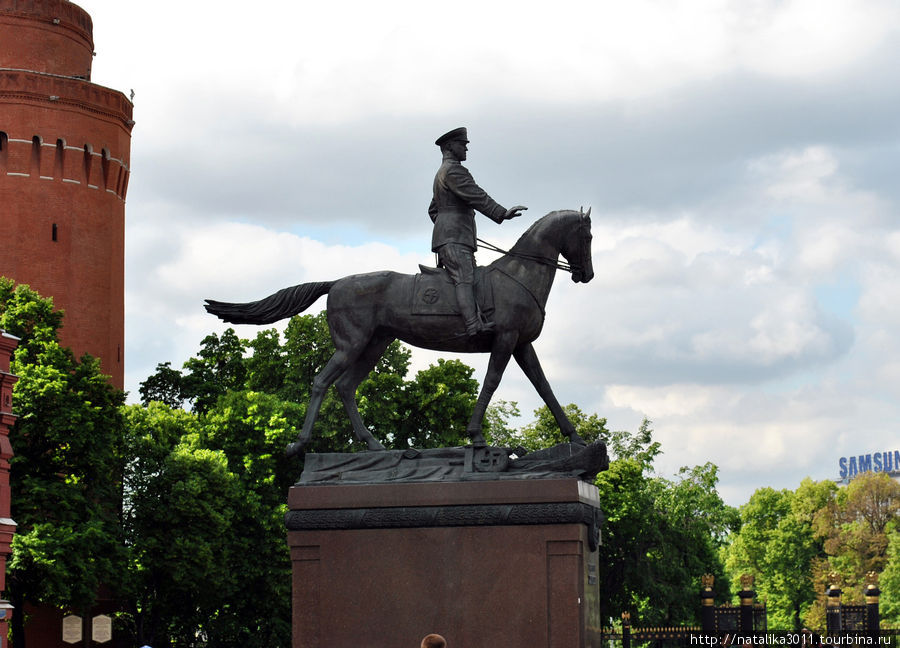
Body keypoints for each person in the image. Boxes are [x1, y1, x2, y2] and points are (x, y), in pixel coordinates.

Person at [428, 127, 526, 336]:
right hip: (455, 238)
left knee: (467, 278)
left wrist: (447, 226)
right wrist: (502, 213)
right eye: (462, 145)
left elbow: (433, 210)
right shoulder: (454, 171)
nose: (466, 149)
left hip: (452, 236)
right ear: (450, 147)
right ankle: (474, 326)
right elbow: (477, 196)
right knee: (465, 278)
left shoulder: (441, 173)